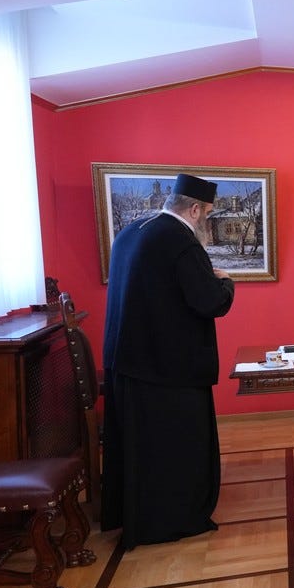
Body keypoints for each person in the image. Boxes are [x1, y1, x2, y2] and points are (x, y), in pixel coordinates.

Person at [102, 173, 236, 549]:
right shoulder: (180, 240)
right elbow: (210, 301)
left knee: (140, 450)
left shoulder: (133, 231)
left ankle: (136, 516)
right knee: (173, 450)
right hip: (167, 370)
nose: (207, 221)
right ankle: (172, 521)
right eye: (207, 213)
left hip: (128, 362)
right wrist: (226, 282)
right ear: (193, 210)